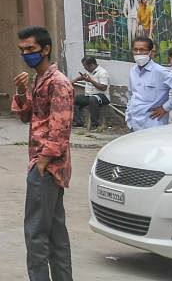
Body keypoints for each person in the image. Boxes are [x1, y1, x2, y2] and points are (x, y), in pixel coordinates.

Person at [11, 25, 73, 281]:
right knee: (55, 232)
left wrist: (42, 163)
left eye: (31, 49)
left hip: (47, 167)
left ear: (45, 49)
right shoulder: (38, 79)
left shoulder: (58, 83)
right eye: (22, 50)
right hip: (44, 165)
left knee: (36, 234)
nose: (26, 54)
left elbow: (60, 130)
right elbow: (28, 117)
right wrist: (20, 92)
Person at [126, 37, 172, 130]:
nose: (138, 53)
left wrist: (165, 108)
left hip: (152, 125)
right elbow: (131, 94)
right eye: (135, 50)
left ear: (151, 53)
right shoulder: (133, 71)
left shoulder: (160, 72)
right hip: (134, 123)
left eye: (142, 50)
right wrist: (128, 113)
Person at [73, 56, 109, 130]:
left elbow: (103, 87)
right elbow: (84, 77)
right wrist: (75, 80)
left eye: (85, 66)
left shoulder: (102, 72)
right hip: (89, 95)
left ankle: (94, 124)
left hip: (102, 96)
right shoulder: (90, 71)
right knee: (74, 99)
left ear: (92, 65)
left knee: (93, 99)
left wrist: (90, 81)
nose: (85, 68)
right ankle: (78, 121)